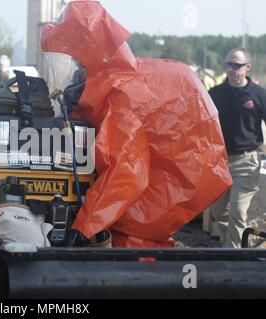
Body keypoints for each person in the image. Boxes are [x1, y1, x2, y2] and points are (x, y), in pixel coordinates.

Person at [41, 1, 232, 248]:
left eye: (80, 64)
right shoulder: (114, 85)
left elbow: (126, 175)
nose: (77, 75)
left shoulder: (120, 96)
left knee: (131, 243)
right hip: (167, 182)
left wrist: (84, 227)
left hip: (159, 197)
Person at [209, 48, 266, 248]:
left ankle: (231, 256)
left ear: (248, 67)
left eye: (237, 65)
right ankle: (230, 244)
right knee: (219, 211)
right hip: (219, 161)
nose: (231, 69)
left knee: (239, 212)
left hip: (246, 161)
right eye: (228, 65)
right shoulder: (215, 94)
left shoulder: (259, 95)